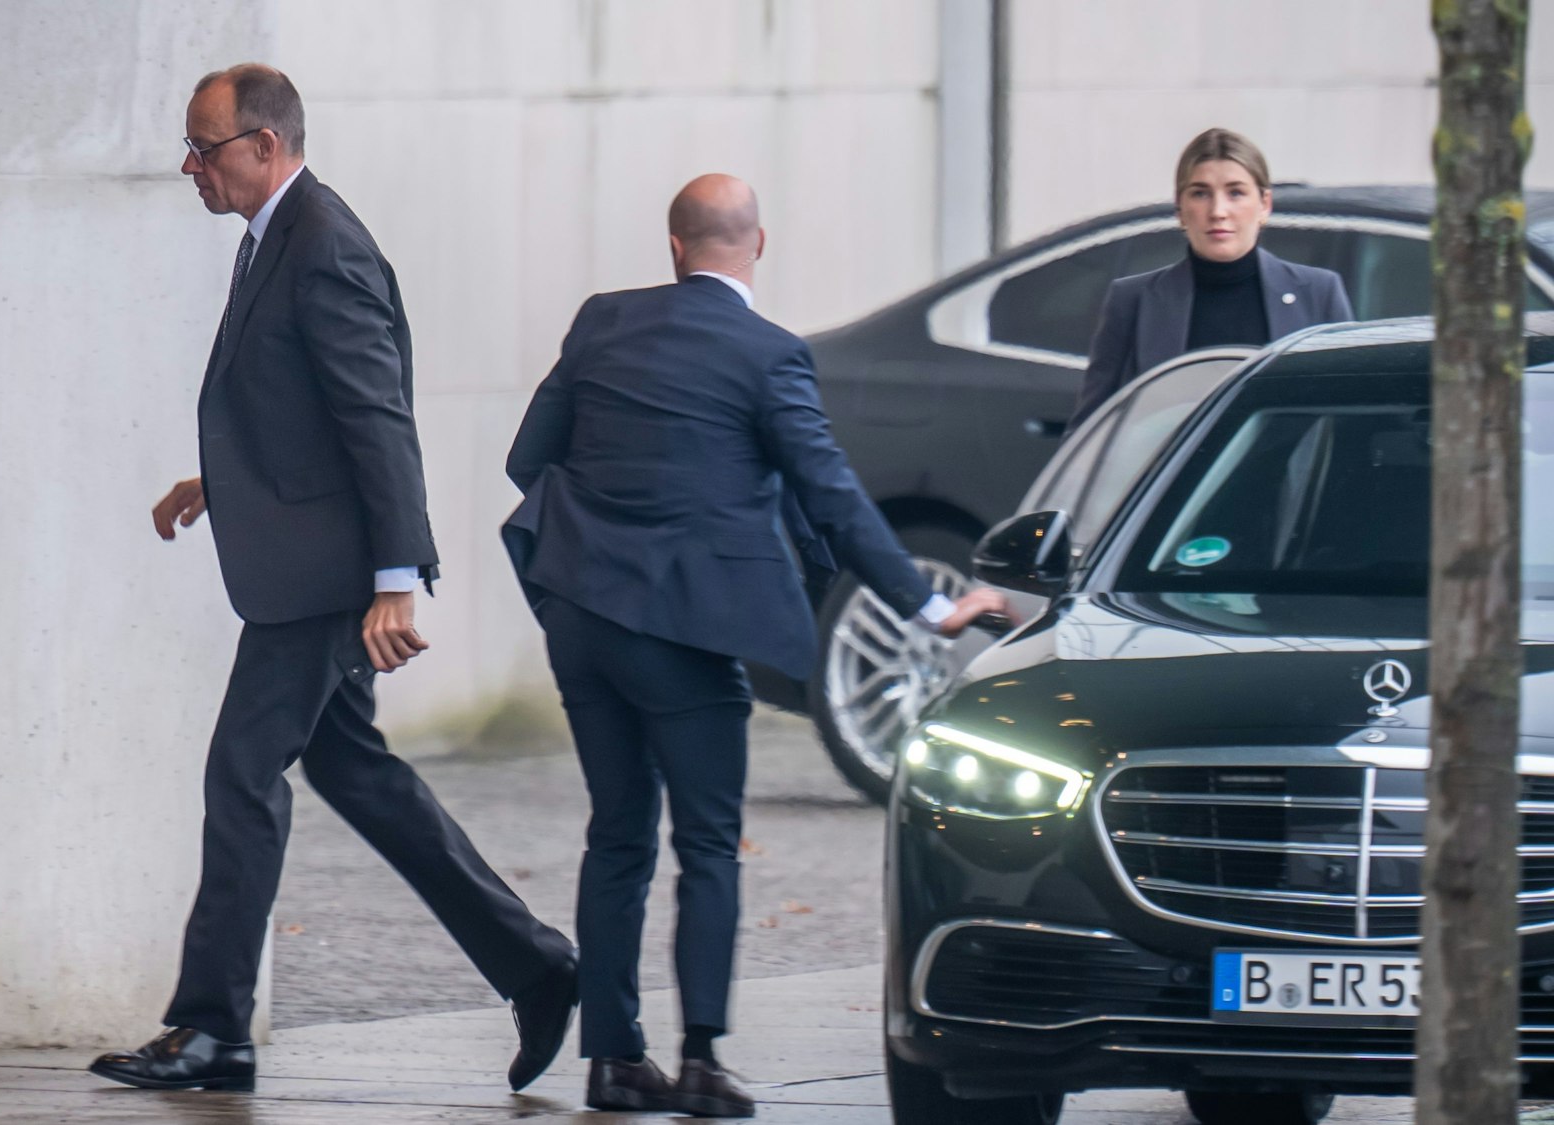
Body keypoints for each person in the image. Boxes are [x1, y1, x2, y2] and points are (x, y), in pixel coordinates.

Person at [89, 63, 577, 1095]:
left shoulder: (323, 248)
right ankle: (535, 966)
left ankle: (213, 1028)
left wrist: (396, 577)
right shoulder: (279, 236)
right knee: (355, 774)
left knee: (240, 772)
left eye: (204, 146)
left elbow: (375, 419)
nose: (190, 166)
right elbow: (300, 414)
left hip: (323, 582)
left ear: (265, 144)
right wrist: (215, 483)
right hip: (310, 561)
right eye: (189, 147)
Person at [501, 174, 1009, 1117]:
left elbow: (527, 455)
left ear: (673, 245)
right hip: (688, 636)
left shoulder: (602, 321)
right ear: (758, 246)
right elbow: (833, 496)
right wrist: (930, 607)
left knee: (616, 833)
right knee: (707, 844)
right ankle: (699, 1060)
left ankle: (613, 1060)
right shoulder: (770, 355)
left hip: (581, 616)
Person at [1070, 127, 1353, 427]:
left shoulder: (1318, 293)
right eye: (1201, 193)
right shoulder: (1133, 301)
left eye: (1236, 193)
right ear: (1180, 209)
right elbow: (1091, 429)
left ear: (1264, 205)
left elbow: (1349, 416)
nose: (1218, 211)